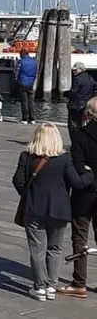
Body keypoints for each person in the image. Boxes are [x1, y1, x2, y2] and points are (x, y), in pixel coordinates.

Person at [12, 123, 93, 302]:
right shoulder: (64, 158)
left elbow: (18, 181)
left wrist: (29, 195)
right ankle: (51, 286)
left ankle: (40, 287)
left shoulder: (26, 156)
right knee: (55, 249)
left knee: (37, 249)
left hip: (34, 209)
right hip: (59, 210)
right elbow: (77, 183)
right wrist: (89, 174)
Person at [61, 97, 97, 298]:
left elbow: (78, 166)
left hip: (85, 193)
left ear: (88, 114)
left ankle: (79, 282)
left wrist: (90, 177)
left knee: (80, 236)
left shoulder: (79, 135)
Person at [66, 62, 95, 141]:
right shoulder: (90, 77)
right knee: (83, 124)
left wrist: (66, 94)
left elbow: (74, 93)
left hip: (76, 106)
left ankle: (74, 142)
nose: (73, 71)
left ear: (80, 69)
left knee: (73, 125)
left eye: (75, 70)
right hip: (86, 105)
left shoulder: (77, 79)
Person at [17, 49, 38, 124]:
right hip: (30, 83)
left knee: (24, 101)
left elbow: (16, 71)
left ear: (22, 54)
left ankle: (24, 119)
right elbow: (36, 72)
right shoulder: (34, 62)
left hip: (22, 82)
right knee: (30, 101)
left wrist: (16, 79)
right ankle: (32, 118)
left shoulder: (21, 61)